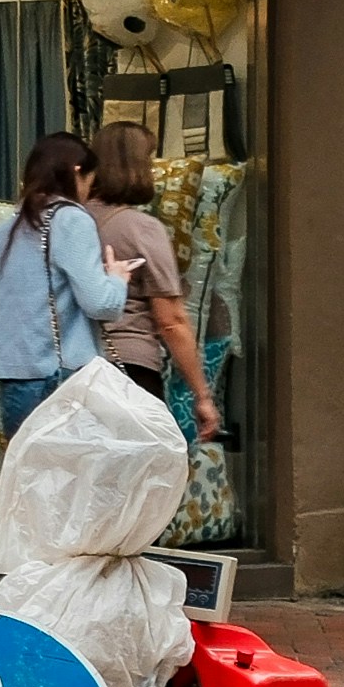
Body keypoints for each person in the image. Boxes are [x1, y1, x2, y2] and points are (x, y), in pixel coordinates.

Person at [0, 129, 141, 442]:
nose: (87, 193)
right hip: (60, 376)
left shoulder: (1, 231)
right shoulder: (70, 219)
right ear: (78, 173)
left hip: (14, 377)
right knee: (71, 482)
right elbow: (100, 303)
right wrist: (117, 279)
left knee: (31, 480)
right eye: (89, 183)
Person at [88, 123, 221, 447]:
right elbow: (171, 321)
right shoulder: (142, 229)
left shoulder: (67, 223)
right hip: (130, 370)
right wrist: (202, 395)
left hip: (75, 370)